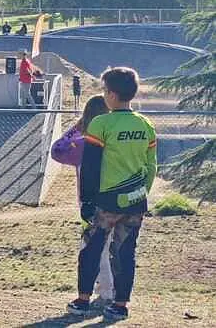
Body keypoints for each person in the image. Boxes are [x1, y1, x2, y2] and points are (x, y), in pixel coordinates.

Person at [68, 67, 157, 322]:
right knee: (126, 252)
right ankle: (120, 304)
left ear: (112, 94)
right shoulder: (145, 124)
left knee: (92, 250)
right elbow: (151, 166)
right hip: (136, 201)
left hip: (106, 202)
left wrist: (86, 200)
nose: (104, 94)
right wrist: (141, 192)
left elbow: (91, 166)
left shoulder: (101, 123)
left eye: (105, 90)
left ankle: (83, 301)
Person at [51, 96, 114, 305]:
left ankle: (106, 291)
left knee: (94, 247)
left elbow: (57, 149)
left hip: (88, 201)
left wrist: (76, 128)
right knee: (111, 246)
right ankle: (108, 289)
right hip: (114, 197)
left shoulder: (80, 145)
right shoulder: (113, 141)